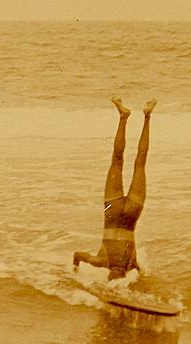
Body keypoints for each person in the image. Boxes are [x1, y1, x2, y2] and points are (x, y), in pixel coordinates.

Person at [73, 97, 156, 280]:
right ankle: (142, 116)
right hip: (122, 212)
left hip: (119, 210)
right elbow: (78, 256)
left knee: (127, 161)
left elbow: (77, 256)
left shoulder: (123, 264)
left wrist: (75, 277)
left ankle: (131, 116)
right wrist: (75, 271)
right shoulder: (115, 263)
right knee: (135, 162)